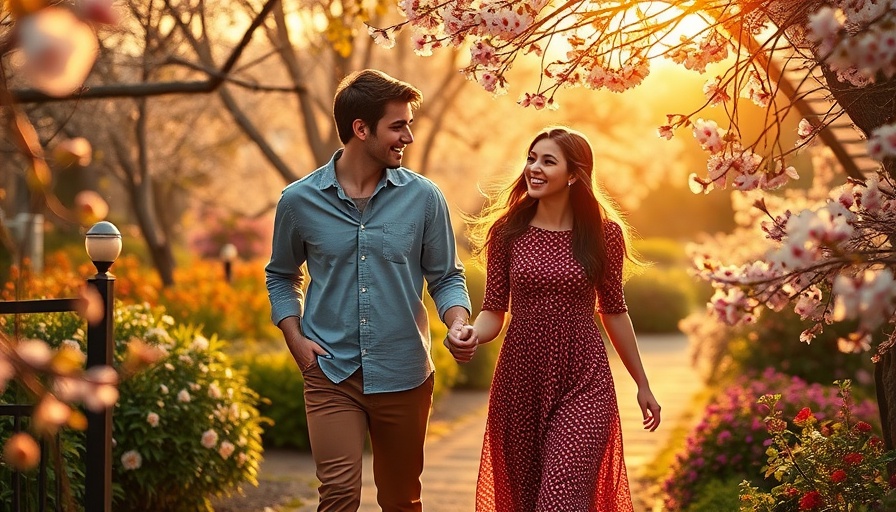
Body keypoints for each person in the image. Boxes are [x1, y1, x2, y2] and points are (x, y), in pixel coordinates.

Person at [264, 69, 475, 512]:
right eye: (398, 126)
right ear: (361, 129)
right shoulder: (299, 201)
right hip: (331, 373)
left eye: (409, 124)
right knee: (338, 494)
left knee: (401, 499)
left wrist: (458, 322)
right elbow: (281, 275)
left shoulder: (424, 198)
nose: (409, 137)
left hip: (404, 373)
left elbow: (446, 277)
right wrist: (295, 339)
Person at [466, 126, 661, 511]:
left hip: (584, 378)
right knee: (524, 500)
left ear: (574, 174)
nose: (534, 168)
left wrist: (643, 384)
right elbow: (493, 310)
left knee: (560, 499)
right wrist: (470, 333)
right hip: (520, 382)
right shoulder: (507, 232)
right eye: (531, 158)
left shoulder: (605, 235)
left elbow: (614, 311)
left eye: (548, 161)